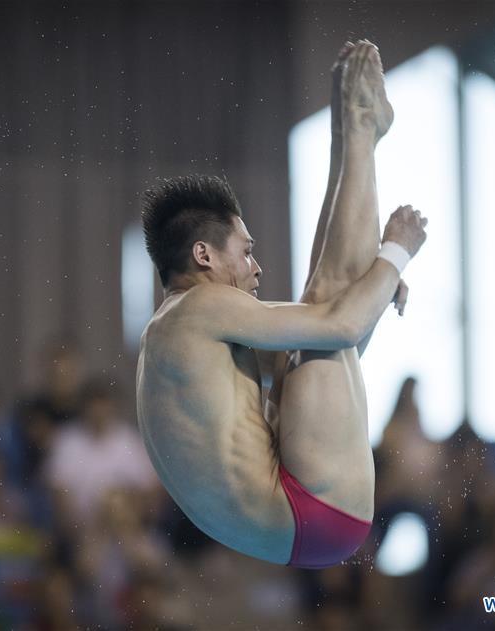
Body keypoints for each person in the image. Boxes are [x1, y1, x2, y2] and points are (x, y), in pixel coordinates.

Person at [136, 40, 428, 569]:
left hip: (304, 520)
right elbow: (339, 324)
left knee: (316, 326)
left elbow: (328, 341)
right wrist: (395, 254)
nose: (257, 268)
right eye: (245, 251)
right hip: (308, 507)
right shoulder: (196, 310)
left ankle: (353, 129)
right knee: (322, 313)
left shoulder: (178, 332)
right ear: (203, 255)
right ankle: (357, 129)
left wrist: (378, 287)